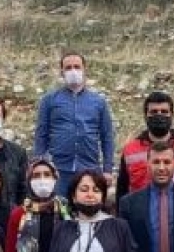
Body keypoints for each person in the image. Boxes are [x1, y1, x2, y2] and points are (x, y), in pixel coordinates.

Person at [34, 52, 116, 197]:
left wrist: (108, 169)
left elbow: (107, 136)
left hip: (89, 169)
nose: (73, 71)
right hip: (59, 170)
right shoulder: (49, 100)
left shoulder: (98, 102)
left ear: (84, 69)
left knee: (87, 206)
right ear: (62, 72)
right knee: (58, 207)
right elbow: (41, 133)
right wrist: (39, 164)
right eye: (68, 67)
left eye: (77, 67)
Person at [116, 91, 174, 197]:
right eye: (154, 112)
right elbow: (122, 188)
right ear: (145, 116)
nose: (159, 115)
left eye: (164, 112)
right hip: (141, 206)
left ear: (172, 115)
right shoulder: (130, 150)